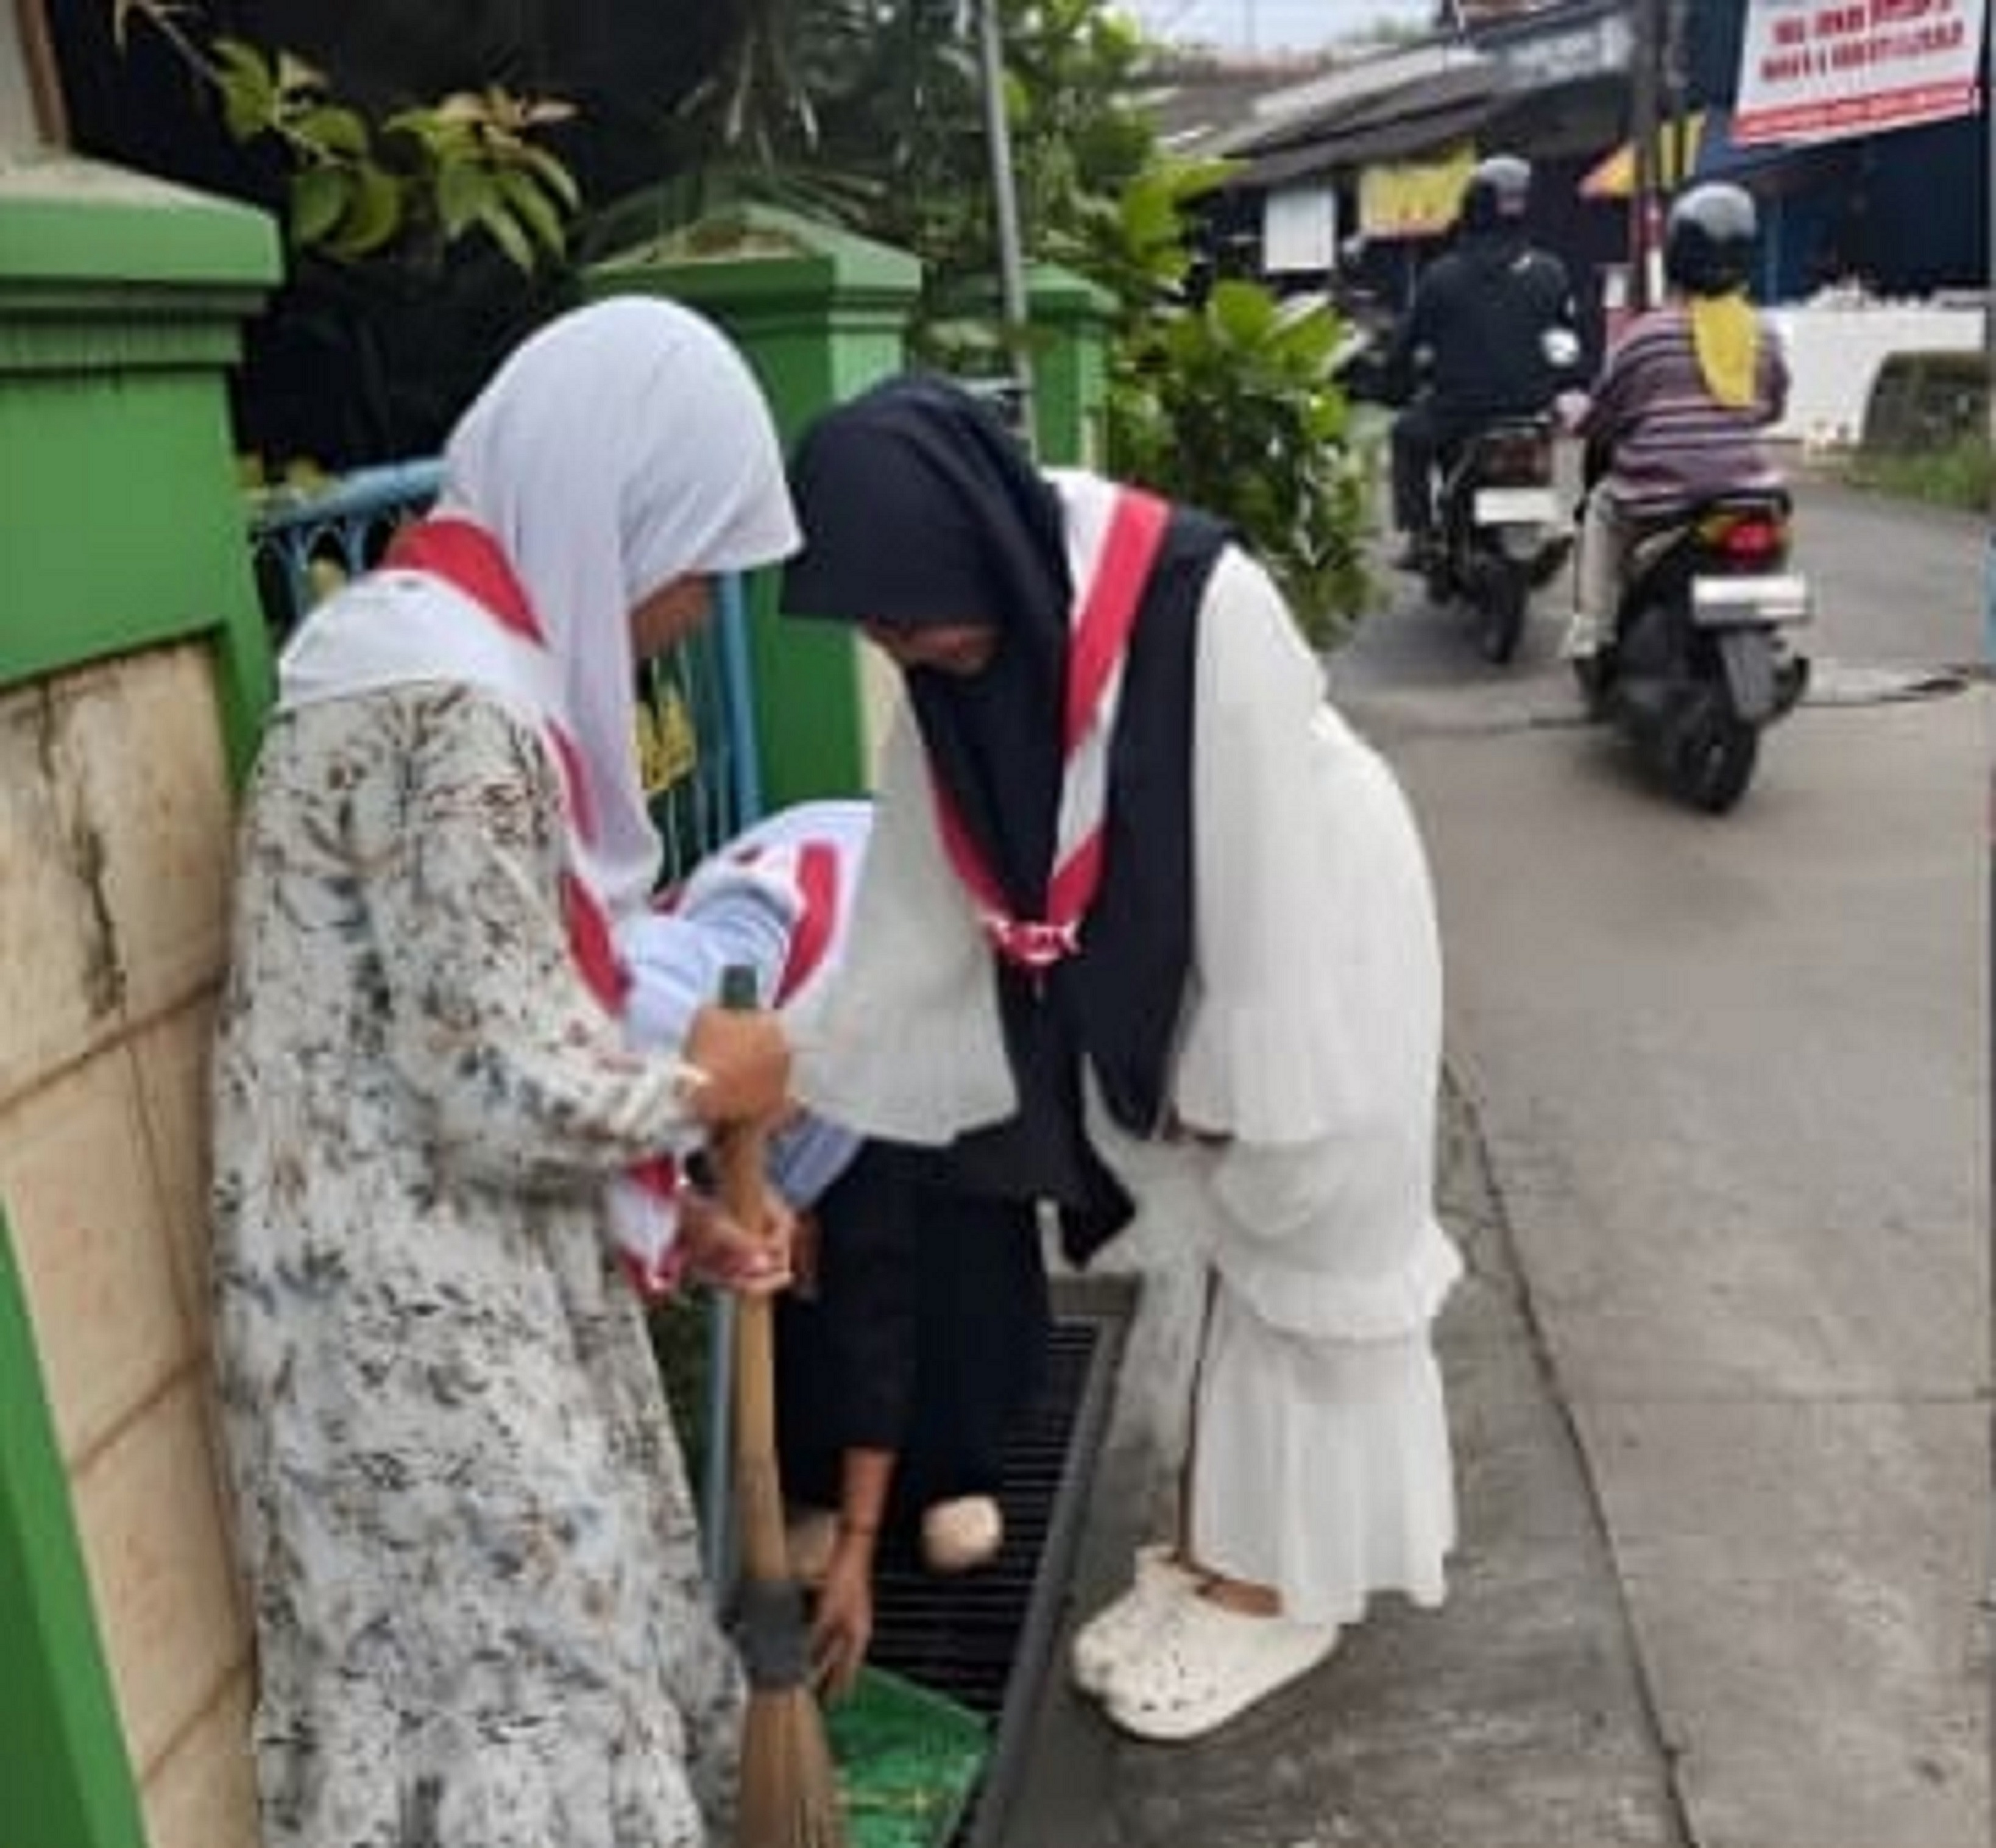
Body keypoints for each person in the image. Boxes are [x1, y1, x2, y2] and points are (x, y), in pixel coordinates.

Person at [777, 374, 1462, 1744]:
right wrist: (805, 1129)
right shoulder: (953, 665)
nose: (907, 643)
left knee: (1304, 1235)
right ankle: (1217, 1553)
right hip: (1181, 942)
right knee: (1221, 1259)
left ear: (978, 534)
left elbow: (1262, 885)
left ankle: (1286, 1586)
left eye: (917, 612)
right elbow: (914, 922)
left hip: (1313, 932)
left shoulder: (1203, 599)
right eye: (882, 626)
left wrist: (1235, 1083)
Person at [209, 296, 803, 1848]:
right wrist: (703, 1092)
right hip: (403, 1337)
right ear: (620, 509)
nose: (695, 607)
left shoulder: (451, 667)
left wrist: (681, 1214)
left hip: (452, 1285)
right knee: (530, 1705)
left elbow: (487, 1028)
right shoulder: (449, 712)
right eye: (698, 555)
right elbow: (489, 1079)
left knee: (532, 1704)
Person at [616, 799, 1049, 1699]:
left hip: (914, 975)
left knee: (915, 1256)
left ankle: (949, 1475)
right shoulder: (660, 1009)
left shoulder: (857, 1016)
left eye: (775, 1123)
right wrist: (726, 1203)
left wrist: (857, 1554)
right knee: (787, 1264)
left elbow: (875, 1301)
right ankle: (819, 1479)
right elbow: (655, 1151)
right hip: (784, 1023)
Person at [1564, 181, 1790, 660]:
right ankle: (1767, 627)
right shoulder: (1762, 335)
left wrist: (1580, 418)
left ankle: (1592, 629)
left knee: (1601, 509)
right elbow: (1772, 407)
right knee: (1773, 526)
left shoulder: (1645, 336)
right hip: (1749, 492)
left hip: (1659, 501)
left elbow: (1603, 416)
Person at [1384, 153, 1579, 569]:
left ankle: (1420, 536)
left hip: (1459, 412)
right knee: (1549, 444)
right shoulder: (1552, 272)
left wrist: (1387, 381)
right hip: (1531, 410)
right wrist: (1565, 387)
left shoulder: (1441, 277)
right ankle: (1551, 523)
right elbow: (1567, 345)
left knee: (1406, 435)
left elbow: (1405, 346)